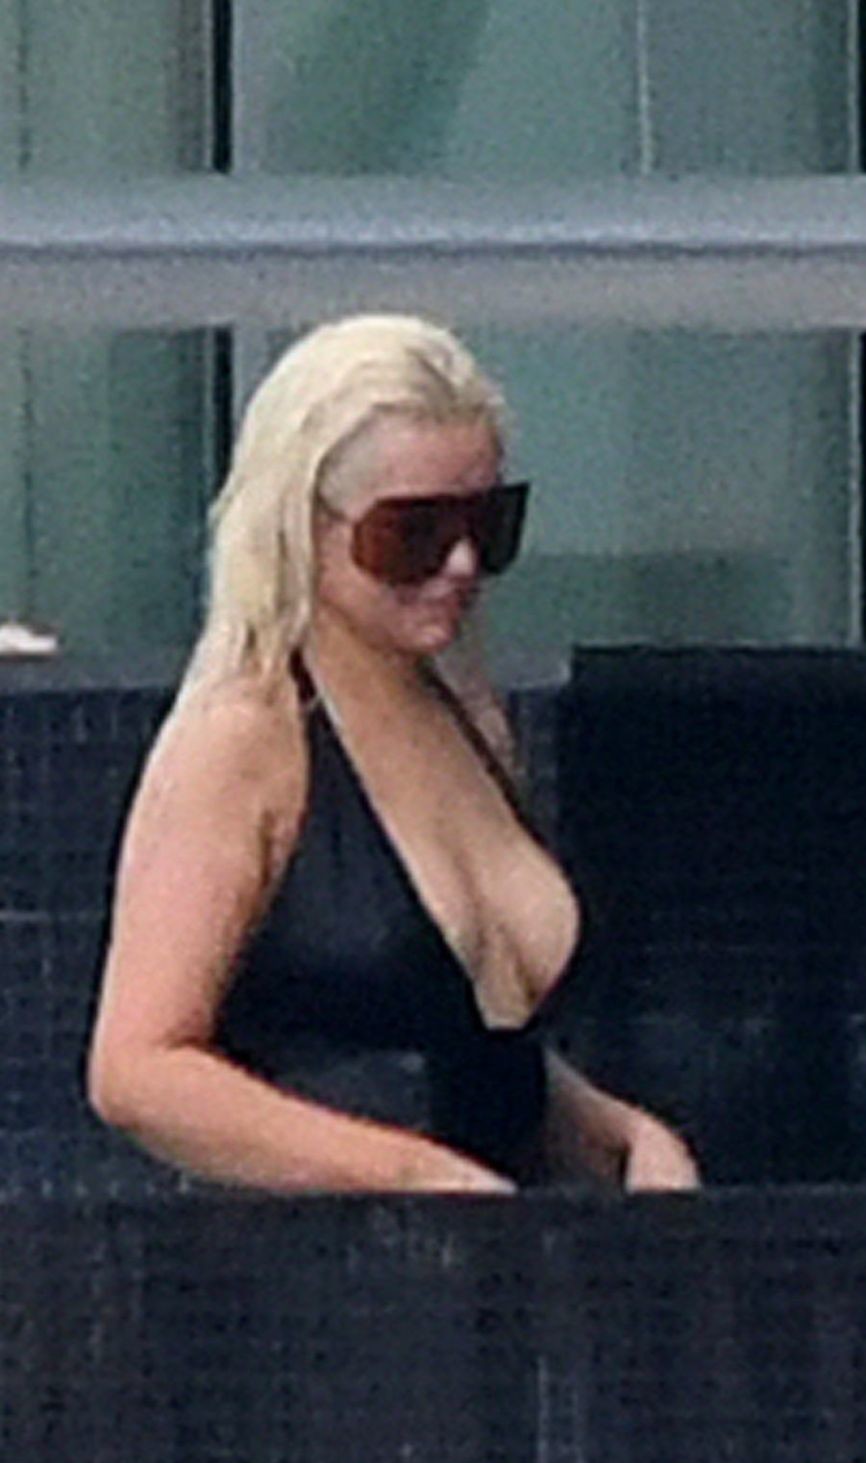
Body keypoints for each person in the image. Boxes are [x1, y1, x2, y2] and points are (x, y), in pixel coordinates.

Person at [87, 313, 699, 1194]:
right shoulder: (246, 737)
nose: (460, 564)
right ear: (304, 525)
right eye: (410, 534)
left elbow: (462, 1046)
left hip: (503, 1248)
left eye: (489, 524)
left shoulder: (461, 713)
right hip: (325, 1262)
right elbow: (137, 1069)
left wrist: (619, 1135)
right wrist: (409, 1174)